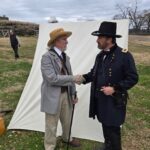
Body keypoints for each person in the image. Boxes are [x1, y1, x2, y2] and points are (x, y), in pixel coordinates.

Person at [78, 21, 138, 150]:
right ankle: (108, 146)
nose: (97, 41)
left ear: (109, 39)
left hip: (114, 102)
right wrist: (82, 78)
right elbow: (94, 74)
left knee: (113, 130)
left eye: (100, 38)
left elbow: (133, 78)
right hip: (101, 100)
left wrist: (114, 88)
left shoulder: (124, 55)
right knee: (105, 126)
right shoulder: (100, 56)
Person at [41, 28, 81, 150]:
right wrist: (73, 78)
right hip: (53, 96)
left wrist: (73, 92)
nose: (67, 42)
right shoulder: (46, 57)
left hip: (66, 94)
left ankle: (66, 138)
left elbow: (70, 75)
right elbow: (52, 78)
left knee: (67, 120)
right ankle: (49, 146)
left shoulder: (65, 57)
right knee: (51, 124)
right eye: (64, 39)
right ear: (56, 41)